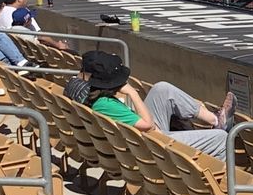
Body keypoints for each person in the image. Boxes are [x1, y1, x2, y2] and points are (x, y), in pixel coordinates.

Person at [70, 50, 233, 157]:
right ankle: (223, 189)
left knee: (162, 89)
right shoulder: (105, 104)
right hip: (154, 149)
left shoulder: (85, 94)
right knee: (222, 138)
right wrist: (132, 92)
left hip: (139, 141)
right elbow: (148, 125)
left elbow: (80, 77)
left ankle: (216, 120)